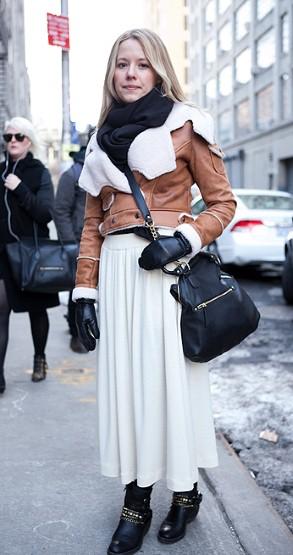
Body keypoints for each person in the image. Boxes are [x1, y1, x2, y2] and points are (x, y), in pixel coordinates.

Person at [72, 29, 236, 555]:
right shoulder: (100, 140)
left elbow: (222, 203)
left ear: (158, 70)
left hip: (167, 274)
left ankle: (185, 493)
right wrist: (83, 292)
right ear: (112, 73)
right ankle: (136, 499)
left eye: (142, 64)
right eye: (122, 64)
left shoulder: (186, 126)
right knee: (128, 390)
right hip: (118, 277)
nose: (131, 73)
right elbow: (91, 222)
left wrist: (181, 239)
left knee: (168, 387)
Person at [0, 117, 59, 394]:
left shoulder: (39, 172)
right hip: (2, 255)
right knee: (0, 313)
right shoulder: (0, 171)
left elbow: (46, 213)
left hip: (31, 254)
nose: (12, 141)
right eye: (8, 136)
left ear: (29, 141)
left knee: (37, 310)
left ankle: (40, 358)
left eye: (19, 137)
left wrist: (19, 188)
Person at [54, 146, 87, 353]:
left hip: (102, 240)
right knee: (79, 289)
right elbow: (60, 210)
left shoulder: (106, 168)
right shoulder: (72, 175)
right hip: (77, 242)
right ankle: (76, 334)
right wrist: (69, 243)